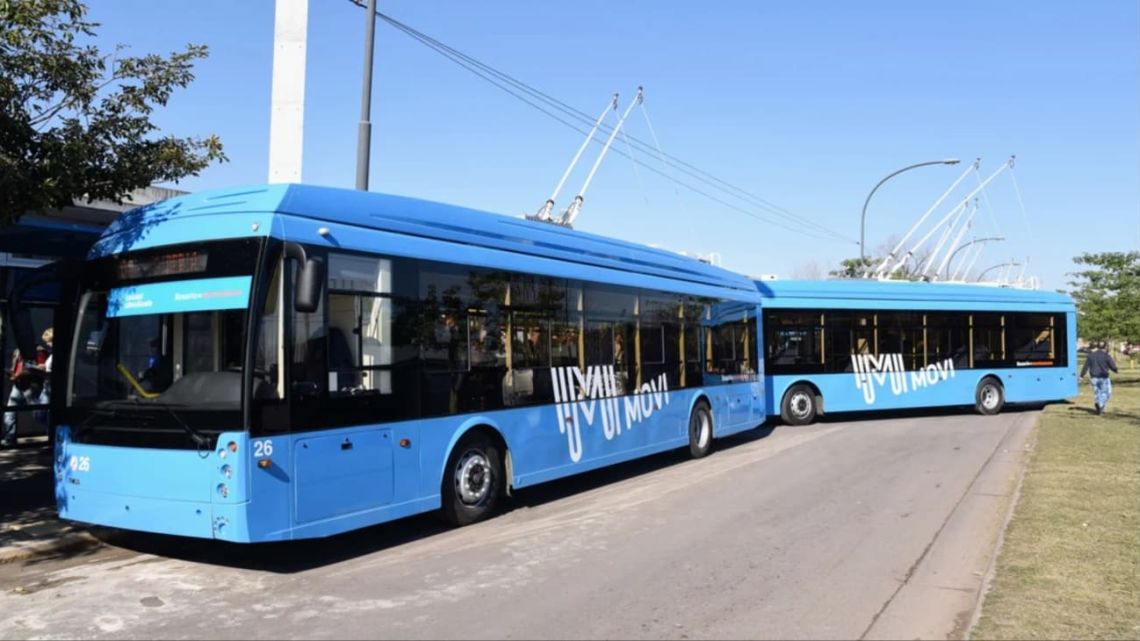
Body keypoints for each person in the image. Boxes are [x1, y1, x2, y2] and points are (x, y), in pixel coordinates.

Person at [2, 327, 52, 448]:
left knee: (38, 413)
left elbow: (38, 370)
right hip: (18, 384)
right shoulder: (17, 351)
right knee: (10, 411)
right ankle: (10, 438)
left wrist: (20, 374)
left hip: (30, 386)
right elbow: (16, 365)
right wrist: (12, 373)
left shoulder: (38, 351)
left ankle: (53, 434)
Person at [1080, 340, 1118, 416]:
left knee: (1097, 392)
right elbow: (1112, 366)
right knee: (1106, 393)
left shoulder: (1091, 355)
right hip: (1104, 377)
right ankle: (1101, 407)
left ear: (1097, 346)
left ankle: (1099, 404)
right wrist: (1115, 370)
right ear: (1105, 347)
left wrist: (1081, 375)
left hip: (1094, 377)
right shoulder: (1106, 356)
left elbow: (1086, 366)